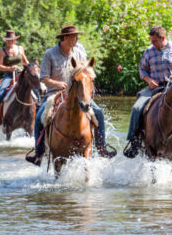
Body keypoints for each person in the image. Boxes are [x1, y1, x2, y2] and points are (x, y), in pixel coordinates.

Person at [25, 25, 117, 165]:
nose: (77, 39)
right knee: (39, 117)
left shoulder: (79, 52)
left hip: (77, 93)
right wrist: (57, 84)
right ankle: (38, 153)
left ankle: (102, 147)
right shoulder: (49, 54)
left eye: (77, 36)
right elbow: (43, 78)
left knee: (98, 112)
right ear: (66, 38)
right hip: (54, 93)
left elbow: (86, 73)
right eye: (74, 36)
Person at [122, 26, 172, 161]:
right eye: (151, 41)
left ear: (163, 38)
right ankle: (134, 142)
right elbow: (142, 69)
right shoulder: (149, 52)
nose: (152, 44)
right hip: (155, 88)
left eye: (155, 41)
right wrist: (148, 80)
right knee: (137, 108)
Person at [0, 29, 30, 126]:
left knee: (35, 90)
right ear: (6, 40)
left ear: (15, 40)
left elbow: (25, 61)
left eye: (12, 39)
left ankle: (36, 109)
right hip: (9, 75)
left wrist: (31, 68)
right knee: (1, 92)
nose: (10, 41)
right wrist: (9, 68)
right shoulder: (2, 51)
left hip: (21, 74)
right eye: (8, 40)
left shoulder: (20, 49)